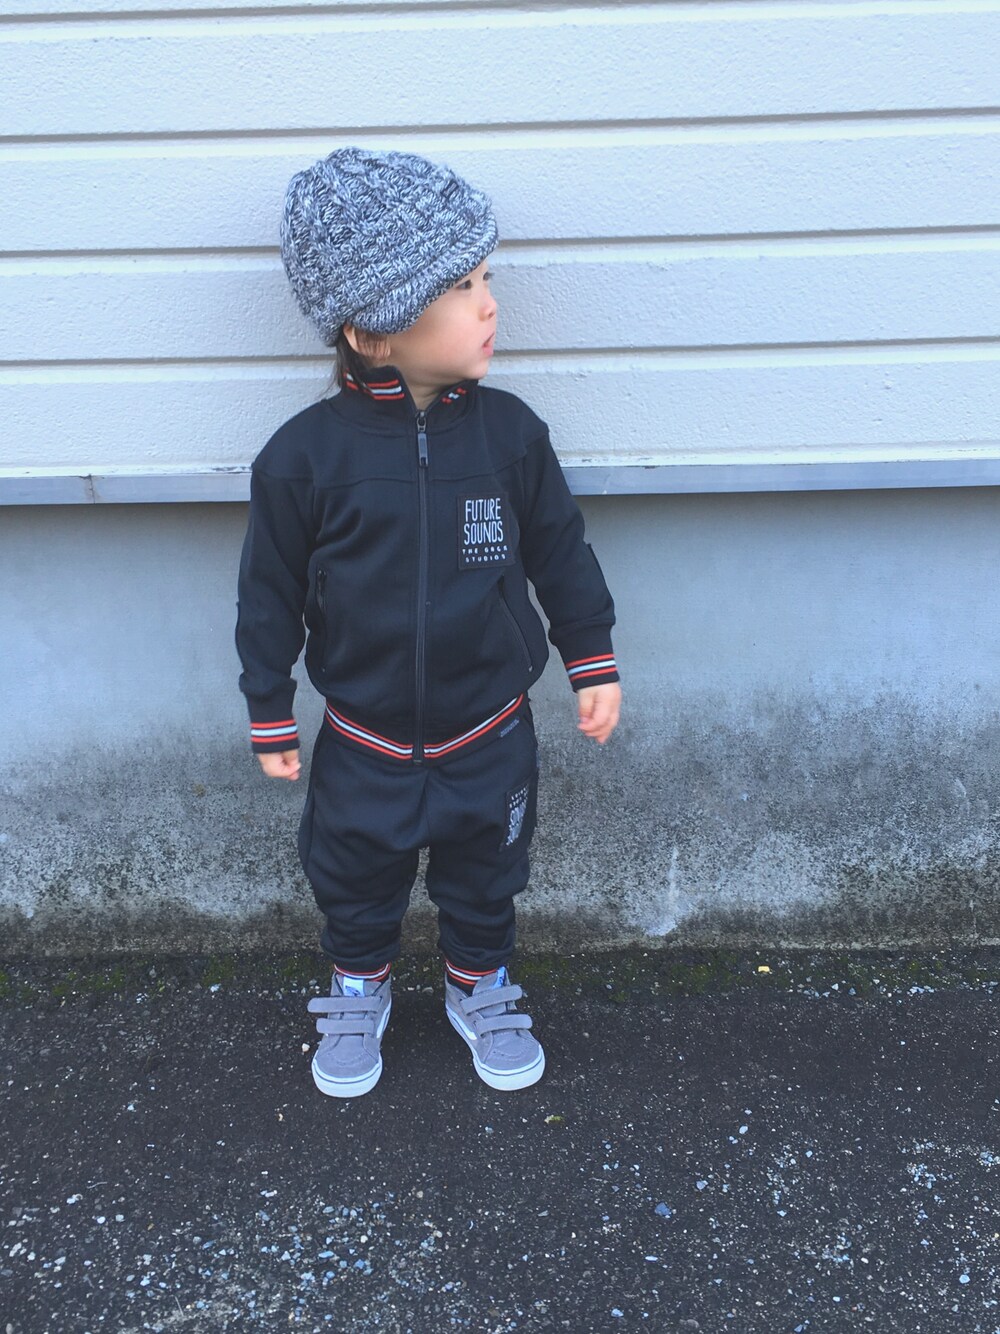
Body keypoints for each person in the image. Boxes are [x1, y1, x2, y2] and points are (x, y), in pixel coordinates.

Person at [236, 148, 621, 1099]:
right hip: (364, 738)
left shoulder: (510, 437)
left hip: (488, 729)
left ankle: (476, 980)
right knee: (353, 874)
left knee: (487, 875)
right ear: (373, 330)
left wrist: (592, 659)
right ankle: (358, 983)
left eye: (486, 279)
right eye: (461, 288)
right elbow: (268, 592)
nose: (490, 305)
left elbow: (561, 554)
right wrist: (269, 706)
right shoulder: (304, 459)